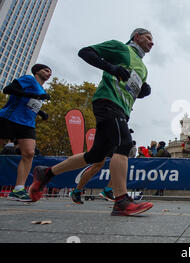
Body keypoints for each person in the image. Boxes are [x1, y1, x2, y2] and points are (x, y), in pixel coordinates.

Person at [29, 28, 154, 217]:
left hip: (123, 108)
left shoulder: (143, 68)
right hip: (107, 101)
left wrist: (142, 90)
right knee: (125, 144)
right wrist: (111, 68)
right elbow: (85, 52)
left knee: (95, 155)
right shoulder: (122, 48)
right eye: (148, 38)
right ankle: (121, 201)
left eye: (153, 40)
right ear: (136, 37)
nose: (152, 42)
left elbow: (129, 86)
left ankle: (46, 173)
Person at [0, 64, 52, 202]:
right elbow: (8, 89)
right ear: (37, 71)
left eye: (50, 72)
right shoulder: (29, 79)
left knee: (29, 153)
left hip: (27, 124)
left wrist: (41, 113)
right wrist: (34, 94)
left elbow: (28, 104)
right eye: (46, 70)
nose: (49, 73)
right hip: (9, 118)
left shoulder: (41, 89)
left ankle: (18, 189)